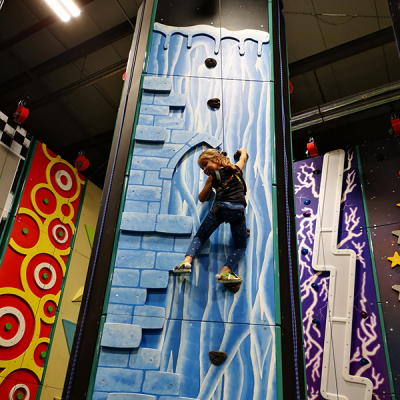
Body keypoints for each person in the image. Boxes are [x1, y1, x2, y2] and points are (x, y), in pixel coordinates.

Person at [173, 147, 248, 283]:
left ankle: (186, 262)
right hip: (238, 212)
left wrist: (210, 190)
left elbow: (201, 197)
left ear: (217, 159)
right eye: (203, 167)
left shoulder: (212, 177)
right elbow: (243, 158)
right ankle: (225, 273)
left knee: (200, 237)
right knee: (240, 246)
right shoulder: (236, 169)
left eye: (205, 164)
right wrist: (242, 151)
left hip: (220, 209)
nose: (204, 169)